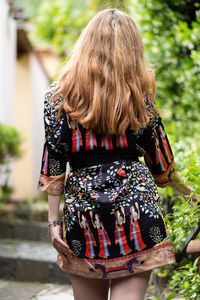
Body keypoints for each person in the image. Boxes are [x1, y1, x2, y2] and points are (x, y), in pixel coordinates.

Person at [38, 8, 194, 300]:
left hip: (84, 216)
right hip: (136, 211)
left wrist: (53, 221)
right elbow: (161, 165)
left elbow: (54, 160)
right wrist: (190, 194)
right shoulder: (139, 95)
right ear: (132, 48)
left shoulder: (58, 97)